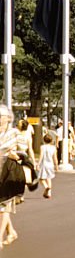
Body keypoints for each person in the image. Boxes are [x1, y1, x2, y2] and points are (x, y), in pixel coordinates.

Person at [0, 105, 21, 246]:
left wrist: (14, 154)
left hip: (8, 173)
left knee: (4, 206)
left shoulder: (14, 133)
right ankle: (11, 232)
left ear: (8, 118)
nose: (0, 120)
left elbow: (22, 151)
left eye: (2, 117)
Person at [38, 133, 57, 199]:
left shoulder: (42, 147)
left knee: (41, 179)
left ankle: (46, 187)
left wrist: (38, 164)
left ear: (44, 140)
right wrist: (56, 165)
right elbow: (55, 158)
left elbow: (41, 156)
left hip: (44, 164)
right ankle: (49, 193)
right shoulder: (53, 148)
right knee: (49, 178)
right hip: (51, 164)